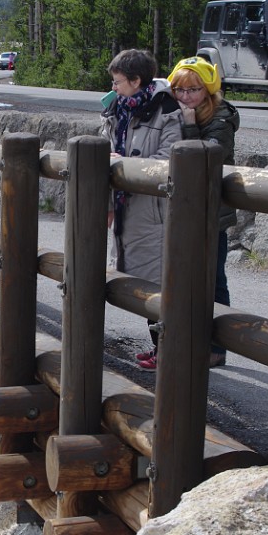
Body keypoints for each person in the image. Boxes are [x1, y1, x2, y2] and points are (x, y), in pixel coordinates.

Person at [101, 49, 184, 371]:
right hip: (124, 209)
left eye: (119, 81)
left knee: (156, 282)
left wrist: (124, 164)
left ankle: (168, 351)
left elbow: (169, 158)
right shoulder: (116, 110)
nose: (115, 87)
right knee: (139, 279)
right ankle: (161, 348)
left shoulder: (166, 110)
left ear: (136, 81)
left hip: (151, 212)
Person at [167, 56, 240, 368]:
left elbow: (206, 159)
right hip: (184, 211)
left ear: (208, 90)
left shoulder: (221, 119)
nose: (186, 97)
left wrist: (189, 126)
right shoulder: (177, 112)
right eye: (179, 90)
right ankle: (183, 340)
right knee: (181, 276)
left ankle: (216, 347)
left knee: (213, 279)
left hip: (212, 214)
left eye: (193, 90)